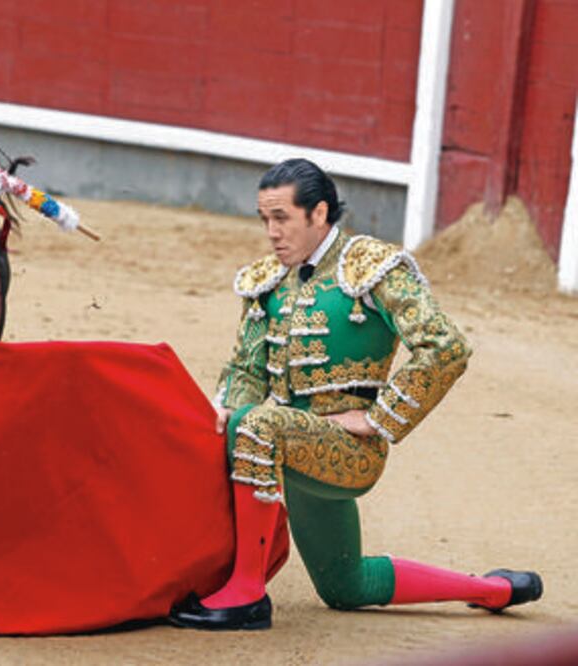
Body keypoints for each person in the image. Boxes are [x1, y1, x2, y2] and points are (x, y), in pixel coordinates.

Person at [169, 158, 542, 631]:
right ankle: (492, 589)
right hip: (284, 448)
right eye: (265, 219)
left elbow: (445, 346)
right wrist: (226, 416)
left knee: (257, 427)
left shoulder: (372, 268)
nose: (271, 232)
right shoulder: (267, 280)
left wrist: (378, 419)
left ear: (319, 213)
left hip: (349, 451)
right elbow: (247, 368)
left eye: (281, 218)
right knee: (345, 586)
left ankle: (245, 593)